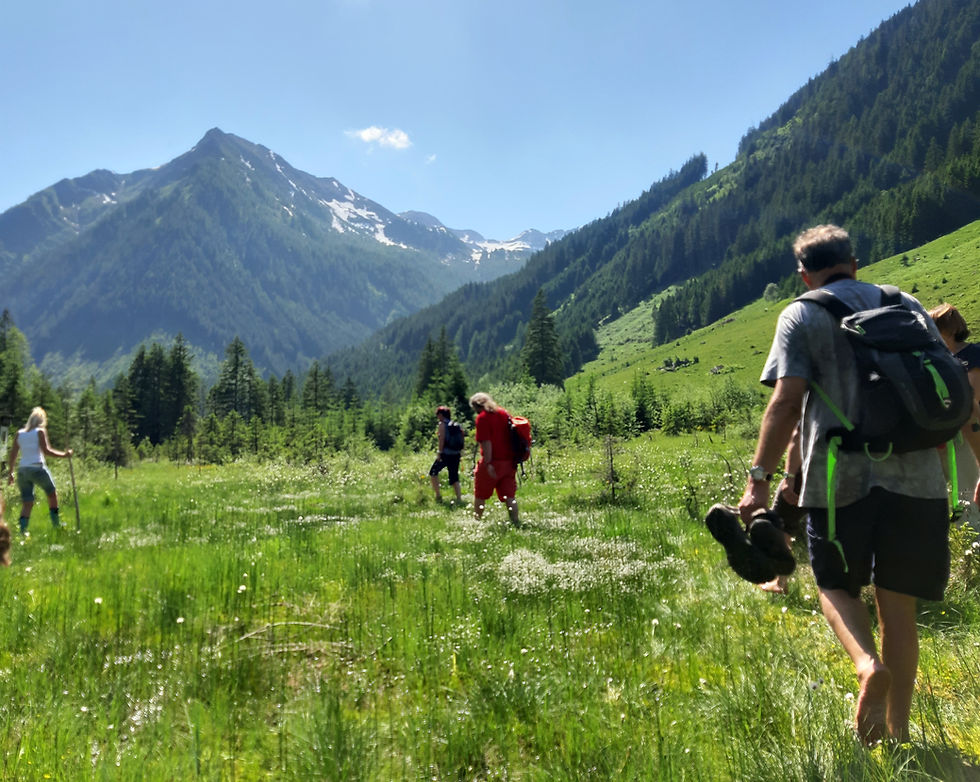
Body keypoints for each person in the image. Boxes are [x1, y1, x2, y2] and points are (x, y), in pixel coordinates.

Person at [738, 224, 950, 745]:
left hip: (841, 479)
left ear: (804, 274)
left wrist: (760, 480)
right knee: (898, 606)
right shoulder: (907, 304)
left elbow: (787, 401)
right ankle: (899, 737)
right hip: (920, 475)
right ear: (854, 264)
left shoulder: (802, 312)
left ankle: (865, 664)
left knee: (834, 584)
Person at [928, 302, 980, 526]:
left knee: (968, 490)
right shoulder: (938, 359)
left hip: (969, 430)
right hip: (945, 434)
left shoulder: (973, 353)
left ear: (948, 328)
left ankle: (973, 543)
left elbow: (973, 394)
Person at [6, 407, 73, 535]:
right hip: (37, 468)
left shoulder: (19, 433)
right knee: (51, 494)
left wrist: (11, 473)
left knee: (27, 502)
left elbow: (13, 454)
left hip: (22, 471)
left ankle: (23, 531)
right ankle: (56, 524)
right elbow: (47, 451)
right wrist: (65, 455)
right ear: (41, 421)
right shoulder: (40, 431)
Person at [469, 392, 520, 526]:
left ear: (476, 407)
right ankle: (515, 522)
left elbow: (486, 442)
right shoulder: (504, 413)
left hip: (493, 462)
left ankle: (476, 522)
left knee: (480, 494)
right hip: (509, 462)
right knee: (510, 495)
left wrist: (488, 463)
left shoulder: (483, 418)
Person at [428, 405, 463, 505]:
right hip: (456, 454)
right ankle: (459, 498)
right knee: (454, 476)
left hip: (445, 454)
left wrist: (439, 453)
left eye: (438, 414)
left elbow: (441, 440)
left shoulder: (442, 424)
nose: (437, 417)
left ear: (441, 415)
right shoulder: (456, 425)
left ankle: (438, 495)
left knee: (433, 472)